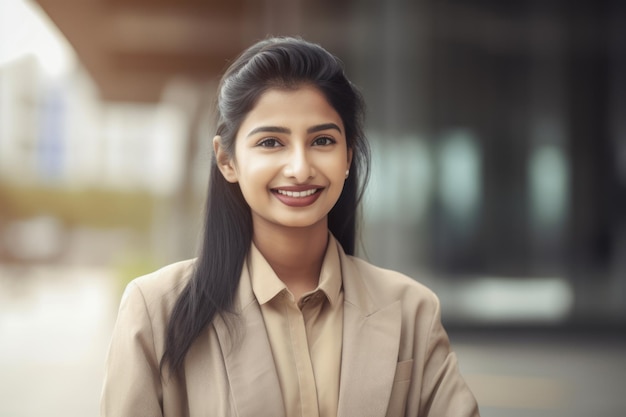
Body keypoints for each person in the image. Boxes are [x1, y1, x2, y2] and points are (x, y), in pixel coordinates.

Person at [101, 36, 480, 417]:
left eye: (322, 140)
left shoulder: (412, 310)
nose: (300, 168)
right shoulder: (156, 312)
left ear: (347, 156)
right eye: (270, 142)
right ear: (227, 160)